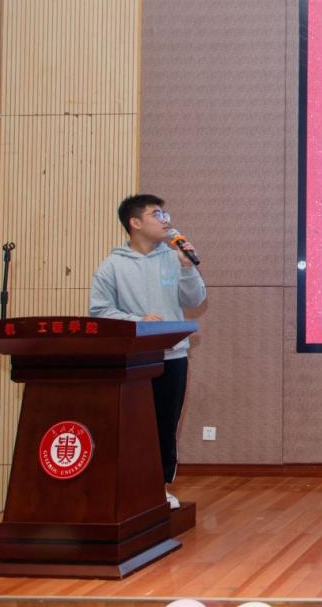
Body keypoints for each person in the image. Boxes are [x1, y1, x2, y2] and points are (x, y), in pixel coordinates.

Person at [88, 194, 206, 510]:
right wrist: (136, 321)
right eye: (157, 214)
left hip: (172, 356)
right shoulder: (112, 265)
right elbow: (99, 311)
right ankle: (128, 487)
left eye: (166, 214)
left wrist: (187, 267)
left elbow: (195, 299)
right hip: (133, 360)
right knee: (133, 426)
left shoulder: (174, 258)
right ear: (135, 222)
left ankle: (158, 487)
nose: (165, 220)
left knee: (165, 425)